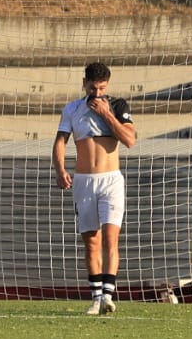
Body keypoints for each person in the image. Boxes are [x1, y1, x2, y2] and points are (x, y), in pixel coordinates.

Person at [51, 61, 137, 315]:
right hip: (84, 181)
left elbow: (130, 140)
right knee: (91, 242)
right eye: (93, 88)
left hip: (111, 180)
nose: (97, 93)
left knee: (111, 238)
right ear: (84, 84)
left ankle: (109, 296)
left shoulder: (118, 106)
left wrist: (106, 114)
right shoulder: (72, 109)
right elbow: (60, 142)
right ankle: (96, 297)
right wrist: (60, 169)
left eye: (102, 88)